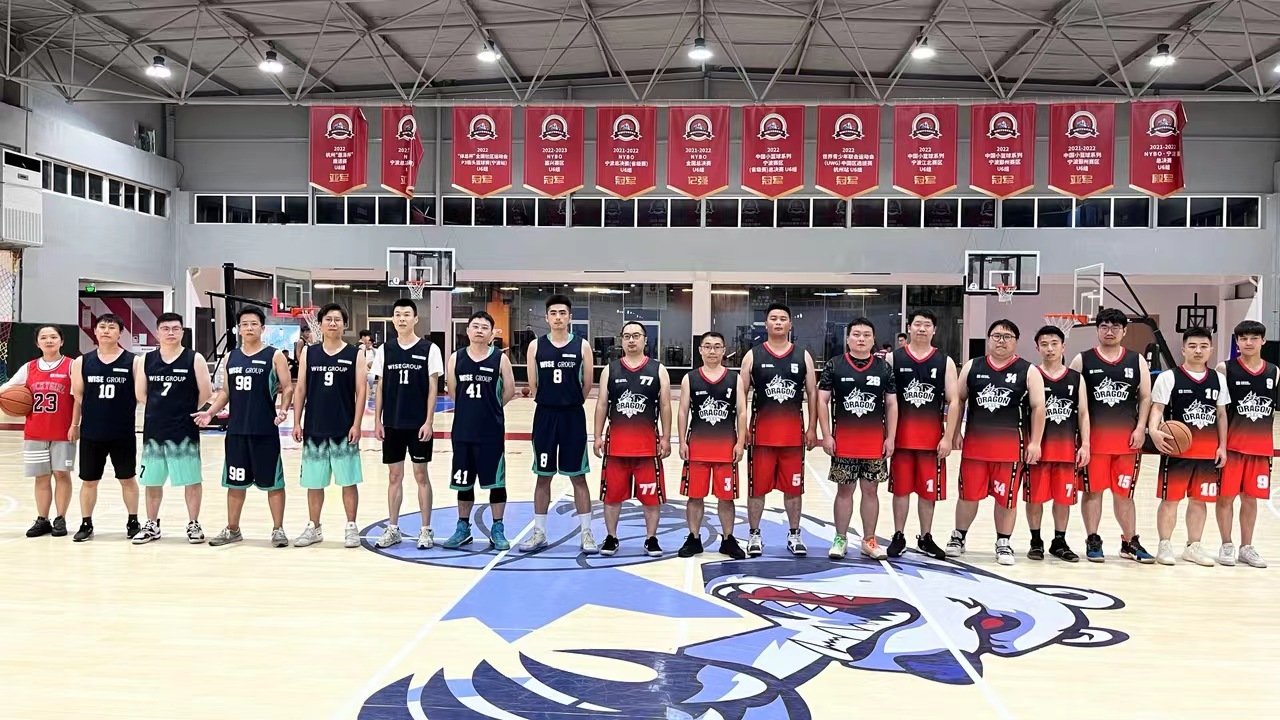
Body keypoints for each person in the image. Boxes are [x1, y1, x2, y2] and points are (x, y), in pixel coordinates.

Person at [946, 319, 1045, 566]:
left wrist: (1035, 443)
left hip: (1010, 449)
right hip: (975, 447)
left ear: (1016, 341)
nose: (1002, 341)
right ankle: (959, 536)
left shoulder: (1028, 370)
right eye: (997, 336)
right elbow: (958, 401)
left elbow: (1038, 407)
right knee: (967, 496)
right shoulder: (972, 366)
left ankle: (1003, 542)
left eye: (1007, 336)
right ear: (989, 339)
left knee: (1006, 499)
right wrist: (954, 432)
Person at [195, 306, 293, 547]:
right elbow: (225, 392)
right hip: (237, 431)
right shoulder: (231, 357)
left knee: (274, 483)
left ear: (263, 328)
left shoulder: (274, 355)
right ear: (239, 329)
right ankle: (233, 529)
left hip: (265, 430)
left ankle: (278, 530)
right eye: (244, 324)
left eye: (253, 324)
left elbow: (288, 387)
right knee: (235, 483)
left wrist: (283, 409)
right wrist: (210, 412)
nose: (249, 328)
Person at [1069, 309, 1155, 563]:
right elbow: (1072, 400)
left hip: (1127, 441)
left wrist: (1141, 428)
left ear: (1124, 331)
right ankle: (1093, 539)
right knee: (1092, 492)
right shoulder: (1082, 360)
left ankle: (1130, 542)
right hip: (1093, 442)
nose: (1110, 331)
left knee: (1125, 494)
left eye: (1115, 327)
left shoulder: (1136, 360)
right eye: (1105, 327)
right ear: (1097, 330)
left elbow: (1146, 397)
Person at [739, 303, 818, 557]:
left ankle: (794, 534)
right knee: (757, 489)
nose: (778, 322)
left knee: (793, 489)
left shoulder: (803, 356)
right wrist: (742, 430)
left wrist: (812, 428)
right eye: (773, 318)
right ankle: (754, 534)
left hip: (793, 437)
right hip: (761, 437)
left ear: (790, 324)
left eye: (783, 318)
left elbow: (813, 394)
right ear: (766, 324)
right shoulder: (753, 355)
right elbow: (741, 396)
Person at [521, 295, 597, 554]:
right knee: (543, 476)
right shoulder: (536, 346)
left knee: (578, 476)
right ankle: (539, 532)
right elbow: (533, 385)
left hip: (572, 416)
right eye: (553, 313)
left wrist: (570, 401)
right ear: (546, 318)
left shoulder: (582, 345)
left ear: (570, 317)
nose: (558, 317)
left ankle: (586, 533)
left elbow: (587, 384)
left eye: (562, 313)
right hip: (545, 416)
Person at [1148, 328, 1229, 566]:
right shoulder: (1169, 377)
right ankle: (1164, 545)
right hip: (1177, 451)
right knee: (1170, 500)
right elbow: (1157, 408)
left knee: (1199, 501)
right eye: (1192, 346)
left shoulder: (1218, 379)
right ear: (1183, 349)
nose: (1198, 351)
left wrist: (1222, 446)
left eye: (1203, 346)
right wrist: (1153, 430)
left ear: (1211, 350)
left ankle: (1193, 546)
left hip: (1206, 453)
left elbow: (1221, 415)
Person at [818, 318, 897, 560]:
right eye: (856, 334)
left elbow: (892, 404)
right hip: (844, 442)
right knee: (844, 491)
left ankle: (869, 540)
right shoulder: (834, 365)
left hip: (874, 443)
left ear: (873, 339)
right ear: (848, 338)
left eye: (866, 334)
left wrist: (891, 438)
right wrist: (827, 435)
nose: (861, 339)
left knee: (871, 491)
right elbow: (822, 400)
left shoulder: (884, 368)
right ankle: (840, 538)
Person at [291, 304, 367, 549]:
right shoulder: (309, 353)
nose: (333, 323)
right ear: (320, 324)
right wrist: (296, 422)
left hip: (343, 428)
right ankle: (314, 527)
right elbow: (300, 389)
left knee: (348, 481)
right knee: (314, 483)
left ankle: (351, 527)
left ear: (345, 324)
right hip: (314, 427)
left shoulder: (355, 354)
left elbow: (361, 391)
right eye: (328, 319)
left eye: (337, 320)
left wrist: (357, 424)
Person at [132, 312, 212, 544]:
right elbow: (140, 393)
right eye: (165, 329)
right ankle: (152, 524)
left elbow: (206, 392)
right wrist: (161, 409)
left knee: (191, 479)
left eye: (175, 328)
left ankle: (193, 523)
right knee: (152, 480)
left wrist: (184, 410)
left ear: (182, 332)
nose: (170, 333)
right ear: (157, 332)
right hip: (155, 429)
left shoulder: (194, 358)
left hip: (184, 428)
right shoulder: (146, 359)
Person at [593, 321, 671, 557]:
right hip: (616, 447)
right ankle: (611, 537)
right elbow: (602, 405)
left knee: (651, 498)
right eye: (626, 336)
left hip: (647, 449)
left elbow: (665, 406)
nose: (631, 340)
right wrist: (597, 436)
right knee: (612, 496)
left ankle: (651, 538)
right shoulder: (610, 370)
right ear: (622, 340)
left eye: (636, 335)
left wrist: (666, 437)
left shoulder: (658, 369)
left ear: (645, 340)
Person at [886, 309, 958, 559]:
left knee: (929, 492)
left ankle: (925, 537)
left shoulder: (945, 361)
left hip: (931, 441)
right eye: (917, 324)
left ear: (934, 330)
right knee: (901, 491)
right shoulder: (893, 358)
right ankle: (898, 535)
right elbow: (887, 401)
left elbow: (954, 401)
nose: (922, 328)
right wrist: (888, 436)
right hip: (902, 439)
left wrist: (948, 437)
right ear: (909, 327)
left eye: (927, 325)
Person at [372, 299, 443, 549]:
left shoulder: (429, 349)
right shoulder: (385, 350)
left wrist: (429, 421)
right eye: (398, 314)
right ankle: (393, 529)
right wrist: (377, 420)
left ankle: (426, 530)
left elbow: (433, 388)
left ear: (415, 319)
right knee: (394, 476)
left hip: (418, 424)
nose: (402, 318)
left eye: (406, 314)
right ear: (393, 319)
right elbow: (380, 386)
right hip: (392, 423)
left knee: (421, 475)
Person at [442, 311, 515, 551]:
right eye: (475, 326)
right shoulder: (456, 358)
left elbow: (509, 391)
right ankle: (463, 527)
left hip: (491, 431)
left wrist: (492, 408)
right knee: (463, 481)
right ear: (468, 331)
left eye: (485, 327)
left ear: (492, 333)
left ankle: (498, 528)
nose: (479, 330)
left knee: (496, 482)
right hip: (463, 431)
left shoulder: (500, 359)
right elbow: (453, 392)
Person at [69, 314, 140, 541]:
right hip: (92, 432)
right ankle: (86, 523)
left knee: (127, 479)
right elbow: (79, 396)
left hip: (122, 432)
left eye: (112, 327)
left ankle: (133, 521)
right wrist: (76, 424)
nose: (106, 330)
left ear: (120, 333)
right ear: (95, 331)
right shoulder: (82, 362)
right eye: (102, 326)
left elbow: (139, 395)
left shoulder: (133, 361)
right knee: (89, 480)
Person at [676, 331, 747, 559]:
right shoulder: (690, 378)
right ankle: (694, 538)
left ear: (724, 351)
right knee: (694, 496)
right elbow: (683, 411)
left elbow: (742, 412)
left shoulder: (735, 379)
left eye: (717, 346)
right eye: (707, 346)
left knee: (726, 498)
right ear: (700, 350)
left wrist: (741, 442)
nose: (712, 351)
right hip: (697, 448)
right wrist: (682, 441)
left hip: (726, 448)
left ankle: (728, 539)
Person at [1215, 320, 1273, 568]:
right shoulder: (1225, 368)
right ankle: (1226, 544)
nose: (1248, 343)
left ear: (1263, 341)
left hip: (1260, 448)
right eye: (1243, 338)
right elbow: (1219, 411)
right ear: (1237, 342)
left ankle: (1246, 547)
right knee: (1225, 498)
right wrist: (1220, 445)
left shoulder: (1274, 372)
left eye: (1254, 338)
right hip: (1232, 447)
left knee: (1251, 499)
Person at [8, 326, 76, 538]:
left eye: (53, 337)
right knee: (41, 477)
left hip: (64, 432)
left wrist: (76, 425)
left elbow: (79, 398)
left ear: (61, 341)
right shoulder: (29, 368)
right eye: (44, 337)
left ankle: (60, 518)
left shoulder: (72, 365)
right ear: (37, 343)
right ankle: (42, 519)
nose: (49, 340)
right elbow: (9, 388)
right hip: (35, 432)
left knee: (62, 474)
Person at [1027, 325, 1088, 562]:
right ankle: (1035, 541)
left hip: (1066, 448)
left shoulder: (1076, 378)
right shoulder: (1031, 375)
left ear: (1063, 346)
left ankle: (1059, 541)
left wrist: (1086, 444)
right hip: (1038, 449)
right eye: (1044, 344)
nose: (1050, 349)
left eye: (1054, 344)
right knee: (1035, 497)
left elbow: (1083, 413)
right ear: (1037, 348)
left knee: (1063, 498)